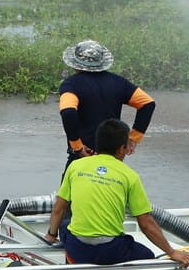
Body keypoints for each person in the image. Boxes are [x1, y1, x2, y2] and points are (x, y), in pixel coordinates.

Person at [46, 118, 189, 267]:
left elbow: (59, 208)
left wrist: (51, 235)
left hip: (78, 249)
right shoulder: (130, 176)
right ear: (121, 148)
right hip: (109, 251)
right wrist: (172, 252)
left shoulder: (75, 166)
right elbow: (146, 224)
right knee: (147, 255)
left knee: (66, 225)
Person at [58, 40, 156, 174]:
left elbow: (68, 112)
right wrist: (133, 138)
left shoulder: (71, 84)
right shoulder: (118, 82)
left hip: (85, 153)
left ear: (75, 64)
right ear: (102, 62)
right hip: (114, 154)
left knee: (71, 192)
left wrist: (78, 147)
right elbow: (148, 104)